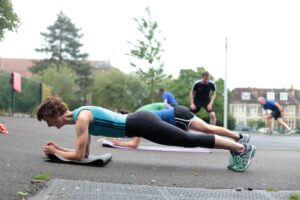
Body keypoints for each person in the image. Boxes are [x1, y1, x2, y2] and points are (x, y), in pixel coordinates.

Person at [38, 96, 255, 172]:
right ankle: (238, 146)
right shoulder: (80, 117)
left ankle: (240, 147)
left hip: (140, 122)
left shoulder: (82, 118)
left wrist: (57, 151)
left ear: (54, 113)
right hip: (141, 121)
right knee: (189, 138)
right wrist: (58, 150)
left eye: (47, 121)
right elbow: (83, 155)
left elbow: (77, 156)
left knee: (188, 140)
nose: (48, 126)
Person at [113, 104, 249, 151]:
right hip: (176, 116)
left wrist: (119, 143)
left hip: (178, 115)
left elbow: (134, 144)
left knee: (209, 129)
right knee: (206, 130)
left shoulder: (137, 119)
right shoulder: (136, 118)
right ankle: (238, 138)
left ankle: (240, 137)